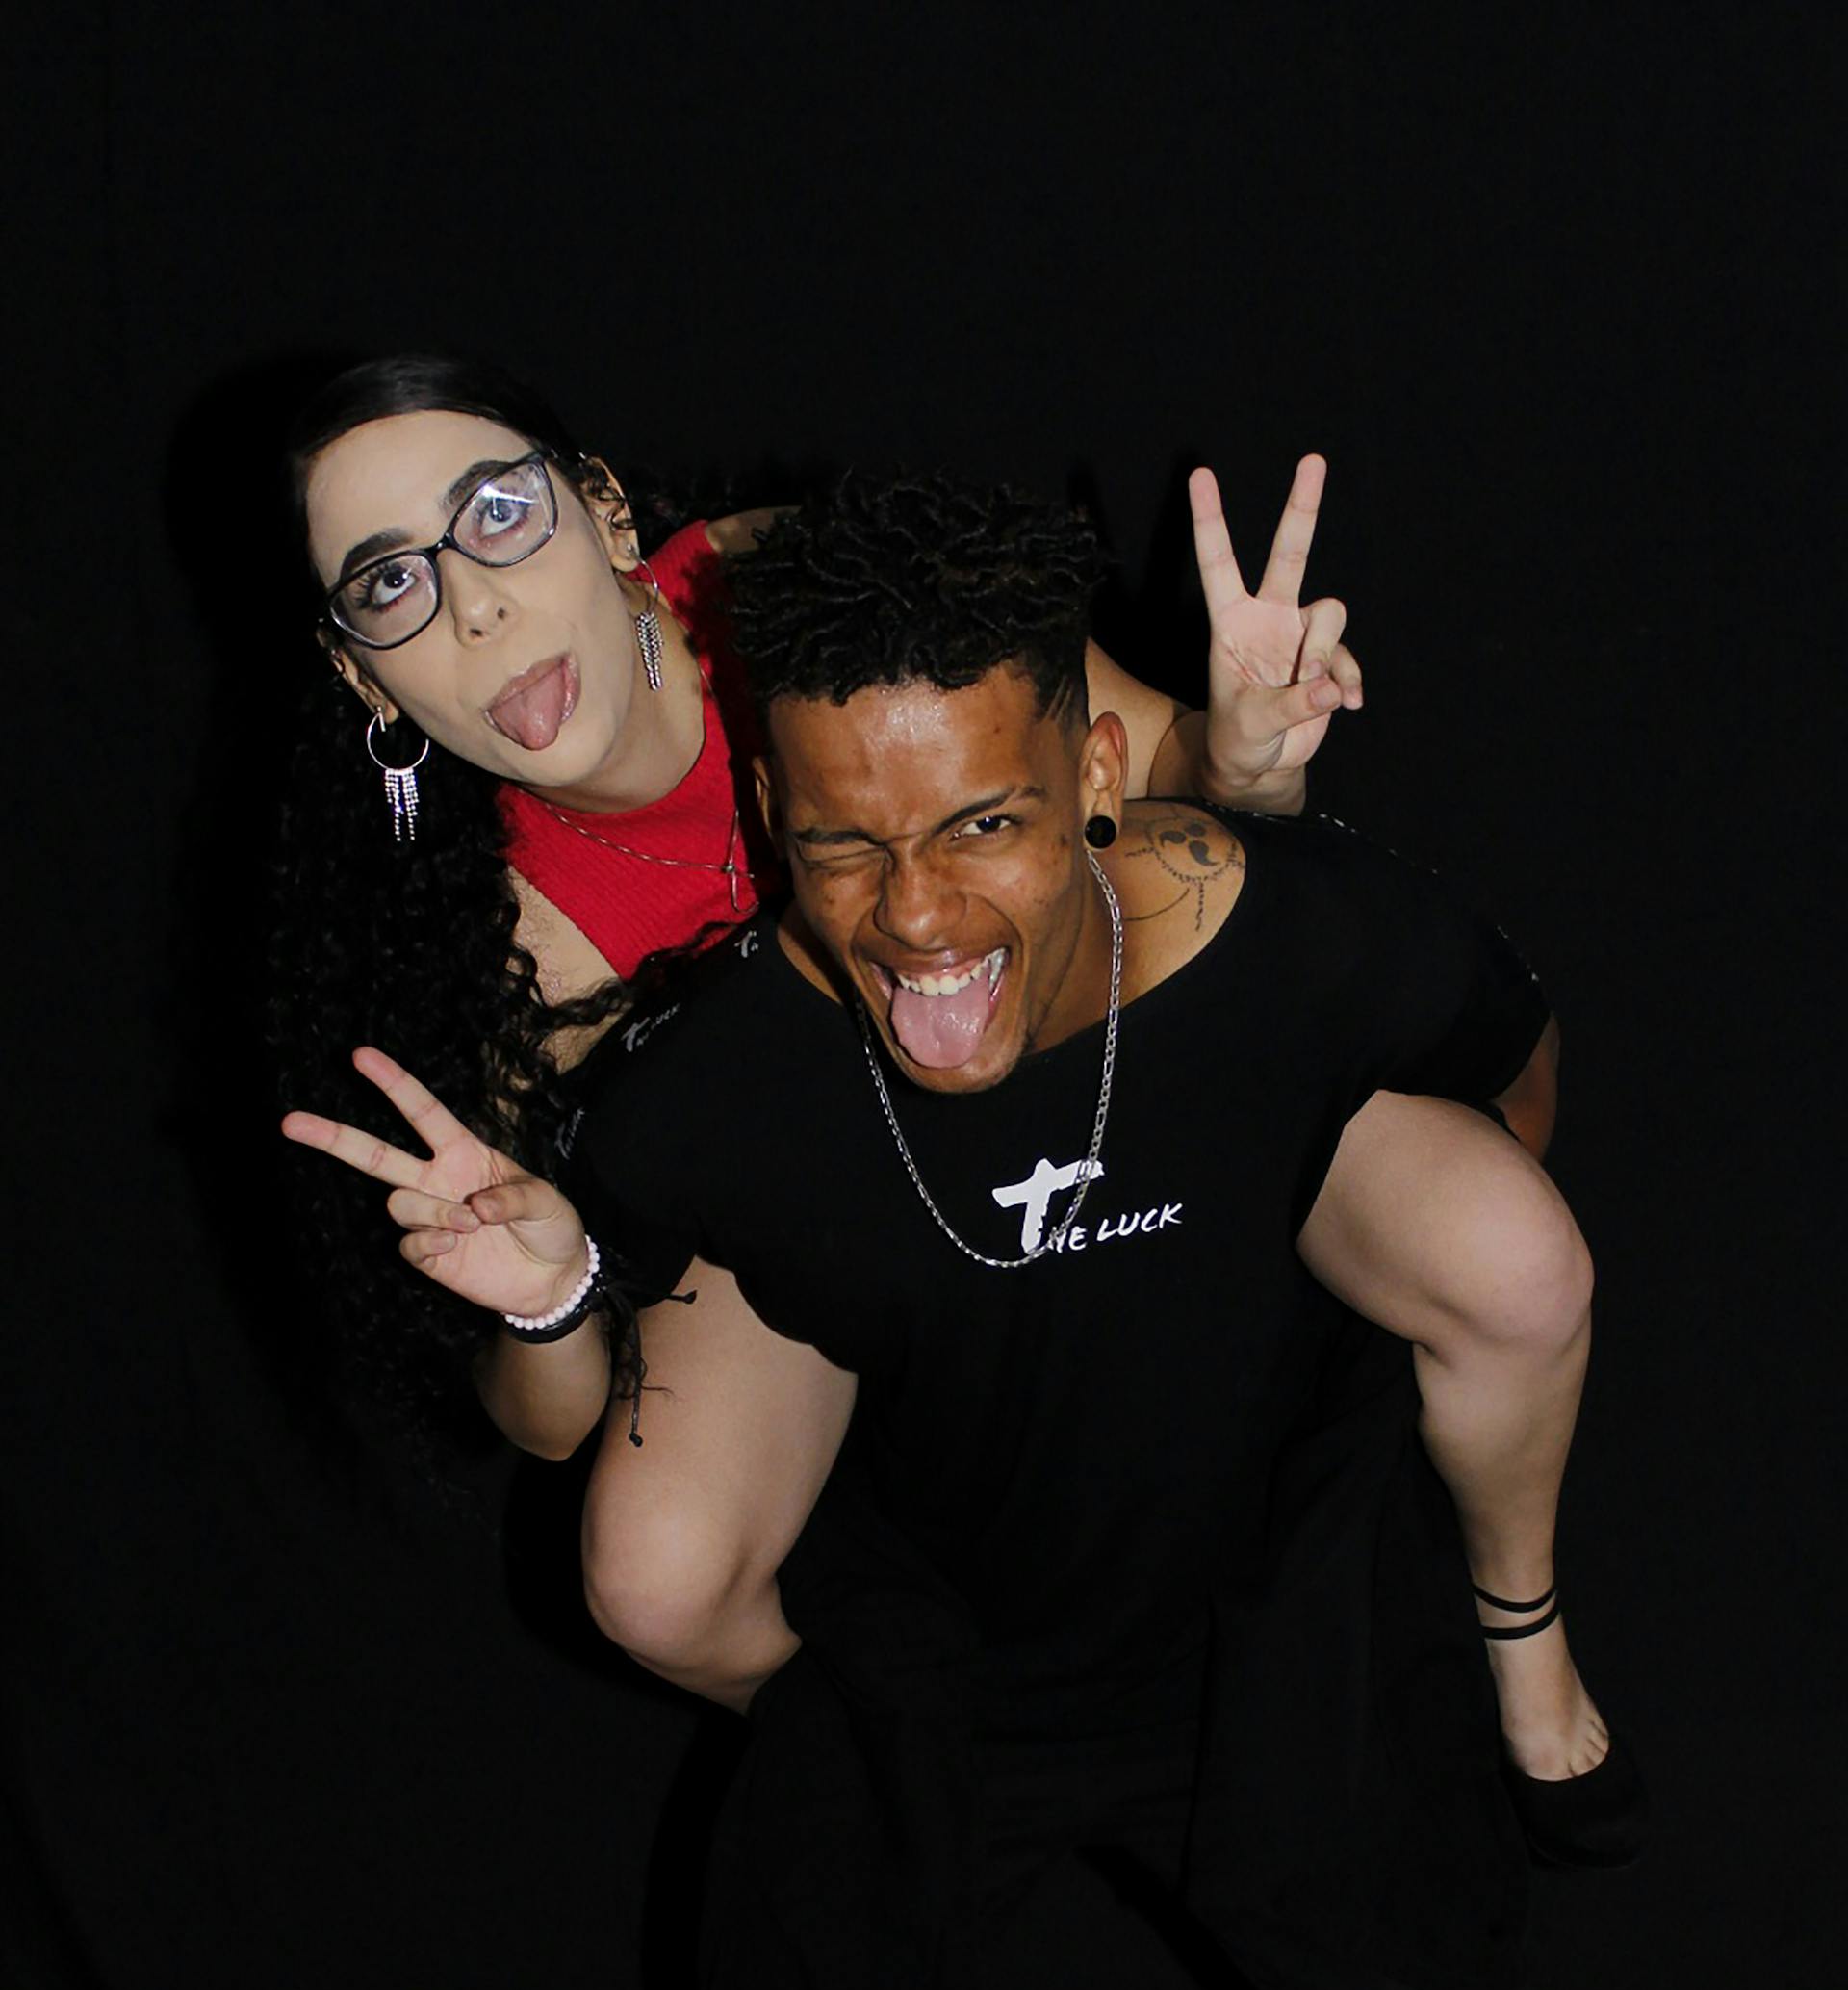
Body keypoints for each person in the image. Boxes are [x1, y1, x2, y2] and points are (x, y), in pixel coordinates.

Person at [551, 476, 1724, 1990]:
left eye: (979, 818)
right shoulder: (719, 1083)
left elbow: (1504, 1090)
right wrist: (536, 1298)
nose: (920, 917)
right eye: (843, 841)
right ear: (768, 811)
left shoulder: (1306, 947)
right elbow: (593, 1419)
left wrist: (1348, 1360)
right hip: (933, 1672)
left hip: (1272, 1639)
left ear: (1104, 768)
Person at [279, 358, 1617, 1802]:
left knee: (1519, 1266)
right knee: (657, 1577)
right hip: (837, 1186)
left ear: (600, 506)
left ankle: (1519, 1622)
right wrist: (544, 1291)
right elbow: (548, 1416)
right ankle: (962, 1777)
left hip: (1074, 1037)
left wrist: (1239, 752)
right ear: (367, 674)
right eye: (389, 585)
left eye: (493, 513)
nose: (472, 604)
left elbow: (1144, 769)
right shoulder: (510, 961)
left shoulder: (795, 584)